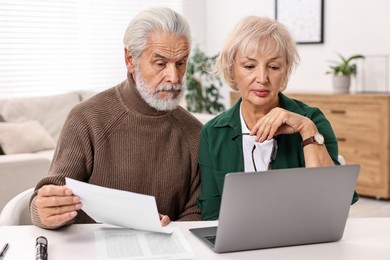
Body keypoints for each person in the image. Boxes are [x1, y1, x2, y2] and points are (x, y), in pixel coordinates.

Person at [30, 7, 202, 229]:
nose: (174, 76)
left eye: (181, 63)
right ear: (130, 59)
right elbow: (49, 199)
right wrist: (42, 211)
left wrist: (169, 230)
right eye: (160, 63)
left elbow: (196, 213)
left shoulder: (195, 132)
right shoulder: (86, 119)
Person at [197, 16, 359, 220]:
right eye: (249, 66)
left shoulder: (312, 119)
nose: (262, 78)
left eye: (274, 67)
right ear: (232, 69)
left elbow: (333, 204)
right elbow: (211, 214)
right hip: (238, 246)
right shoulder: (213, 132)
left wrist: (307, 130)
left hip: (304, 240)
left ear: (285, 71)